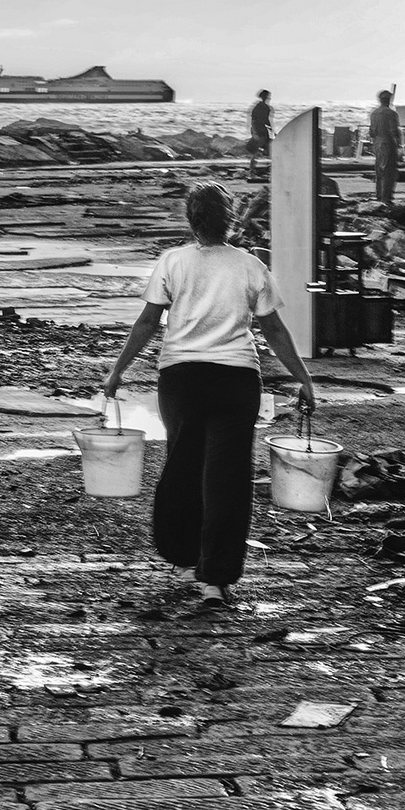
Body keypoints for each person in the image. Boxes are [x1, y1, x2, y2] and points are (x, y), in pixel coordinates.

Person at [102, 182, 317, 608]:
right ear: (230, 219)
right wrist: (303, 378)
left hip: (181, 379)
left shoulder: (173, 261)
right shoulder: (250, 265)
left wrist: (117, 371)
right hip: (236, 381)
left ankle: (182, 558)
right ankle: (215, 579)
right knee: (228, 478)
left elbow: (147, 323)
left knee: (183, 464)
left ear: (191, 219)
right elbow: (273, 330)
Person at [369, 90, 401, 206]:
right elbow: (394, 131)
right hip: (389, 143)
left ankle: (379, 196)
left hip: (378, 144)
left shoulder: (374, 113)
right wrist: (399, 146)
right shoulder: (391, 114)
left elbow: (372, 132)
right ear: (389, 100)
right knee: (389, 171)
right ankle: (386, 198)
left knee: (379, 171)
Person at [246, 89, 273, 178]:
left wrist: (272, 130)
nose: (268, 98)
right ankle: (251, 171)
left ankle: (272, 169)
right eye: (266, 96)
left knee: (269, 150)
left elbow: (267, 121)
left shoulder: (267, 108)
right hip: (258, 131)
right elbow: (253, 121)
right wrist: (254, 133)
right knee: (256, 152)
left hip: (264, 131)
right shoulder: (257, 107)